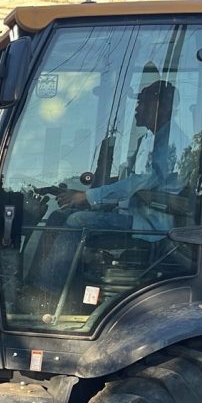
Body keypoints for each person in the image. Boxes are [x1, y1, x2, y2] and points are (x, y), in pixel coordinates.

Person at [35, 80, 182, 296]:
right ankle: (35, 284)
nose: (137, 108)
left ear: (161, 106)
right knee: (59, 216)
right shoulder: (149, 140)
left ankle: (46, 294)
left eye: (142, 102)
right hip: (132, 214)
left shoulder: (170, 142)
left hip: (150, 224)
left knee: (77, 221)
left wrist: (88, 196)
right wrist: (89, 193)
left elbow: (140, 182)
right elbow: (129, 179)